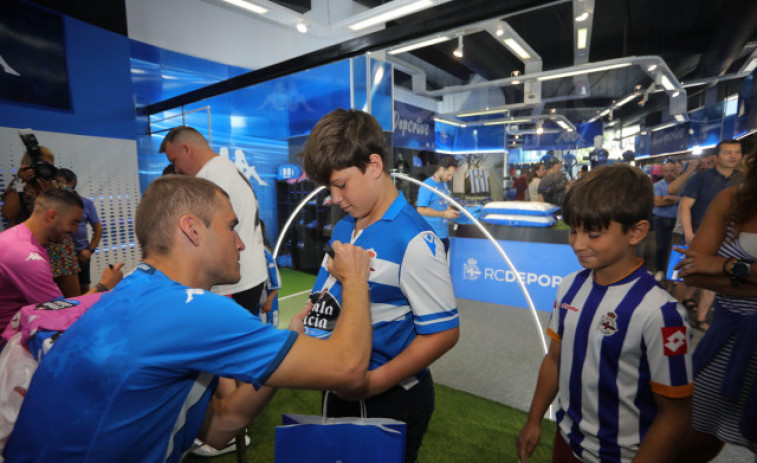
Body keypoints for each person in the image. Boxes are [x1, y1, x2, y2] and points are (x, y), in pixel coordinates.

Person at [4, 175, 374, 462]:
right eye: (231, 227)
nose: (242, 243)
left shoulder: (136, 289)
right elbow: (349, 368)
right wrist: (356, 279)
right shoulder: (191, 310)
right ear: (192, 229)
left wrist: (281, 357)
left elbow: (221, 425)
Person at [300, 109, 460, 463]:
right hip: (338, 384)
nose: (336, 198)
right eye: (329, 188)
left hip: (391, 398)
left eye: (341, 184)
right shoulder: (345, 226)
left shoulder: (415, 239)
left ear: (373, 165)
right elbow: (328, 296)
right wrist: (307, 325)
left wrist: (374, 382)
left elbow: (444, 333)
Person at [517, 164, 693, 463]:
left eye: (594, 234)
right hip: (567, 442)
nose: (578, 244)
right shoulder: (570, 286)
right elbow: (554, 359)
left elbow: (675, 416)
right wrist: (534, 420)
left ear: (636, 232)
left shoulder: (661, 313)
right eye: (574, 230)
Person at [673, 152, 757, 461]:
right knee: (691, 440)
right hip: (726, 336)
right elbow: (693, 270)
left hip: (730, 324)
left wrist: (724, 265)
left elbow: (708, 266)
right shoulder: (732, 200)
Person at [160, 126, 268, 314]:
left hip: (231, 285)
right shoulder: (226, 168)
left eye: (175, 161)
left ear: (187, 149)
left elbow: (203, 240)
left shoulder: (209, 178)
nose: (176, 169)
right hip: (249, 277)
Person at [0, 189, 123, 341]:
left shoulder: (17, 237)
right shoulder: (26, 257)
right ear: (52, 216)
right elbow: (62, 315)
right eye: (74, 222)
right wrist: (105, 286)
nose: (75, 230)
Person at [679, 140, 743, 330]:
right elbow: (685, 207)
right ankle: (672, 311)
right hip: (699, 236)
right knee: (685, 276)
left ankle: (700, 319)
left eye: (737, 152)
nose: (733, 156)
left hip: (728, 240)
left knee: (713, 280)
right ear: (717, 156)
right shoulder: (700, 178)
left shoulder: (742, 179)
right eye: (728, 152)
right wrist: (689, 233)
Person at [1, 147, 81, 297]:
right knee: (42, 300)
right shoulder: (19, 186)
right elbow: (8, 213)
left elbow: (69, 212)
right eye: (41, 164)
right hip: (29, 250)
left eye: (49, 165)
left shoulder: (59, 185)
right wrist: (20, 182)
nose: (45, 169)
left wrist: (50, 191)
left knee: (73, 299)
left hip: (60, 248)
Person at [55, 169, 103, 293]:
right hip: (60, 255)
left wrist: (89, 250)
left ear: (71, 183)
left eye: (60, 181)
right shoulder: (53, 204)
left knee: (83, 291)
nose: (57, 185)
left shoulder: (85, 203)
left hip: (81, 255)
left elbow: (98, 228)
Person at [416, 157, 460, 253]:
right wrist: (444, 214)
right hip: (431, 237)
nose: (450, 178)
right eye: (448, 174)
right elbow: (421, 210)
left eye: (451, 175)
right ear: (441, 169)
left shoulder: (444, 184)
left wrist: (451, 212)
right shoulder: (427, 185)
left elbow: (444, 204)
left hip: (444, 234)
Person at [652, 161, 680, 281]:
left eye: (672, 170)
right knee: (661, 247)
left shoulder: (682, 185)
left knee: (677, 248)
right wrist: (676, 200)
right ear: (662, 172)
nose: (669, 173)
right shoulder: (657, 186)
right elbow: (657, 202)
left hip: (678, 221)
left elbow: (684, 199)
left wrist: (668, 198)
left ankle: (675, 273)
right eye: (666, 171)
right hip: (661, 220)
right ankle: (660, 270)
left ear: (676, 171)